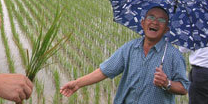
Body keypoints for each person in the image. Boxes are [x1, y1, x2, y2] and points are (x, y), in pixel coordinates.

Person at [60, 6, 189, 104]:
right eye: (151, 17)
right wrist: (77, 84)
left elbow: (183, 88)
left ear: (166, 29)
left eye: (161, 20)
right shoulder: (130, 48)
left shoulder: (173, 55)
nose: (155, 22)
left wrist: (167, 83)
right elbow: (105, 70)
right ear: (143, 23)